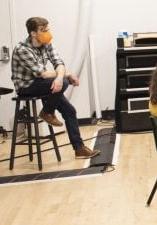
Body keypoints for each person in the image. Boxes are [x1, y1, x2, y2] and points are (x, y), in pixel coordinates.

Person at [10, 17, 100, 159]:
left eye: (48, 29)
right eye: (43, 30)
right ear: (33, 33)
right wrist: (66, 76)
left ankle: (79, 149)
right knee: (64, 82)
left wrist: (60, 76)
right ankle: (47, 112)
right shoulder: (22, 49)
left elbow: (59, 63)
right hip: (26, 86)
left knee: (70, 110)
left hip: (42, 84)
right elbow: (43, 73)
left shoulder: (46, 43)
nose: (47, 32)